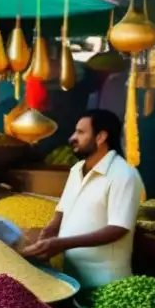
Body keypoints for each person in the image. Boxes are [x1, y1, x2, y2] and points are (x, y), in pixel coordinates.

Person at [24, 110, 144, 288]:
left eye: (80, 132)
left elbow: (118, 228)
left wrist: (62, 243)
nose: (72, 137)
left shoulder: (123, 174)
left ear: (101, 137)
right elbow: (62, 209)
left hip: (105, 282)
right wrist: (50, 230)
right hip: (72, 276)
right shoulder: (76, 169)